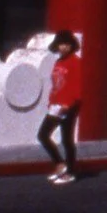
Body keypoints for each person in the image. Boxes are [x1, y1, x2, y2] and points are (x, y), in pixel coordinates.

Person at [39, 30, 82, 184]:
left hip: (69, 105)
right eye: (61, 44)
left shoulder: (76, 62)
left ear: (72, 45)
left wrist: (68, 104)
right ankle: (60, 165)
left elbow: (78, 85)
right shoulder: (58, 62)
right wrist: (52, 101)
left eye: (67, 44)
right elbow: (56, 84)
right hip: (56, 105)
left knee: (66, 139)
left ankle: (68, 171)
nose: (63, 47)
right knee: (43, 135)